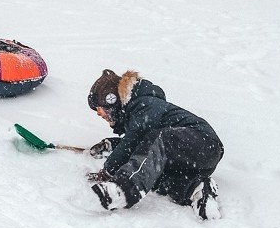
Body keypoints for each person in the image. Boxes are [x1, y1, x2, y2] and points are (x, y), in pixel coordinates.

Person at [86, 69, 224, 219]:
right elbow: (140, 144)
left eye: (99, 108)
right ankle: (197, 190)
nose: (98, 113)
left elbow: (135, 139)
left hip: (204, 143)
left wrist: (108, 171)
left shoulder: (144, 103)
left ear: (111, 101)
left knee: (158, 140)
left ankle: (123, 188)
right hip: (194, 160)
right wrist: (112, 145)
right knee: (156, 176)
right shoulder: (137, 114)